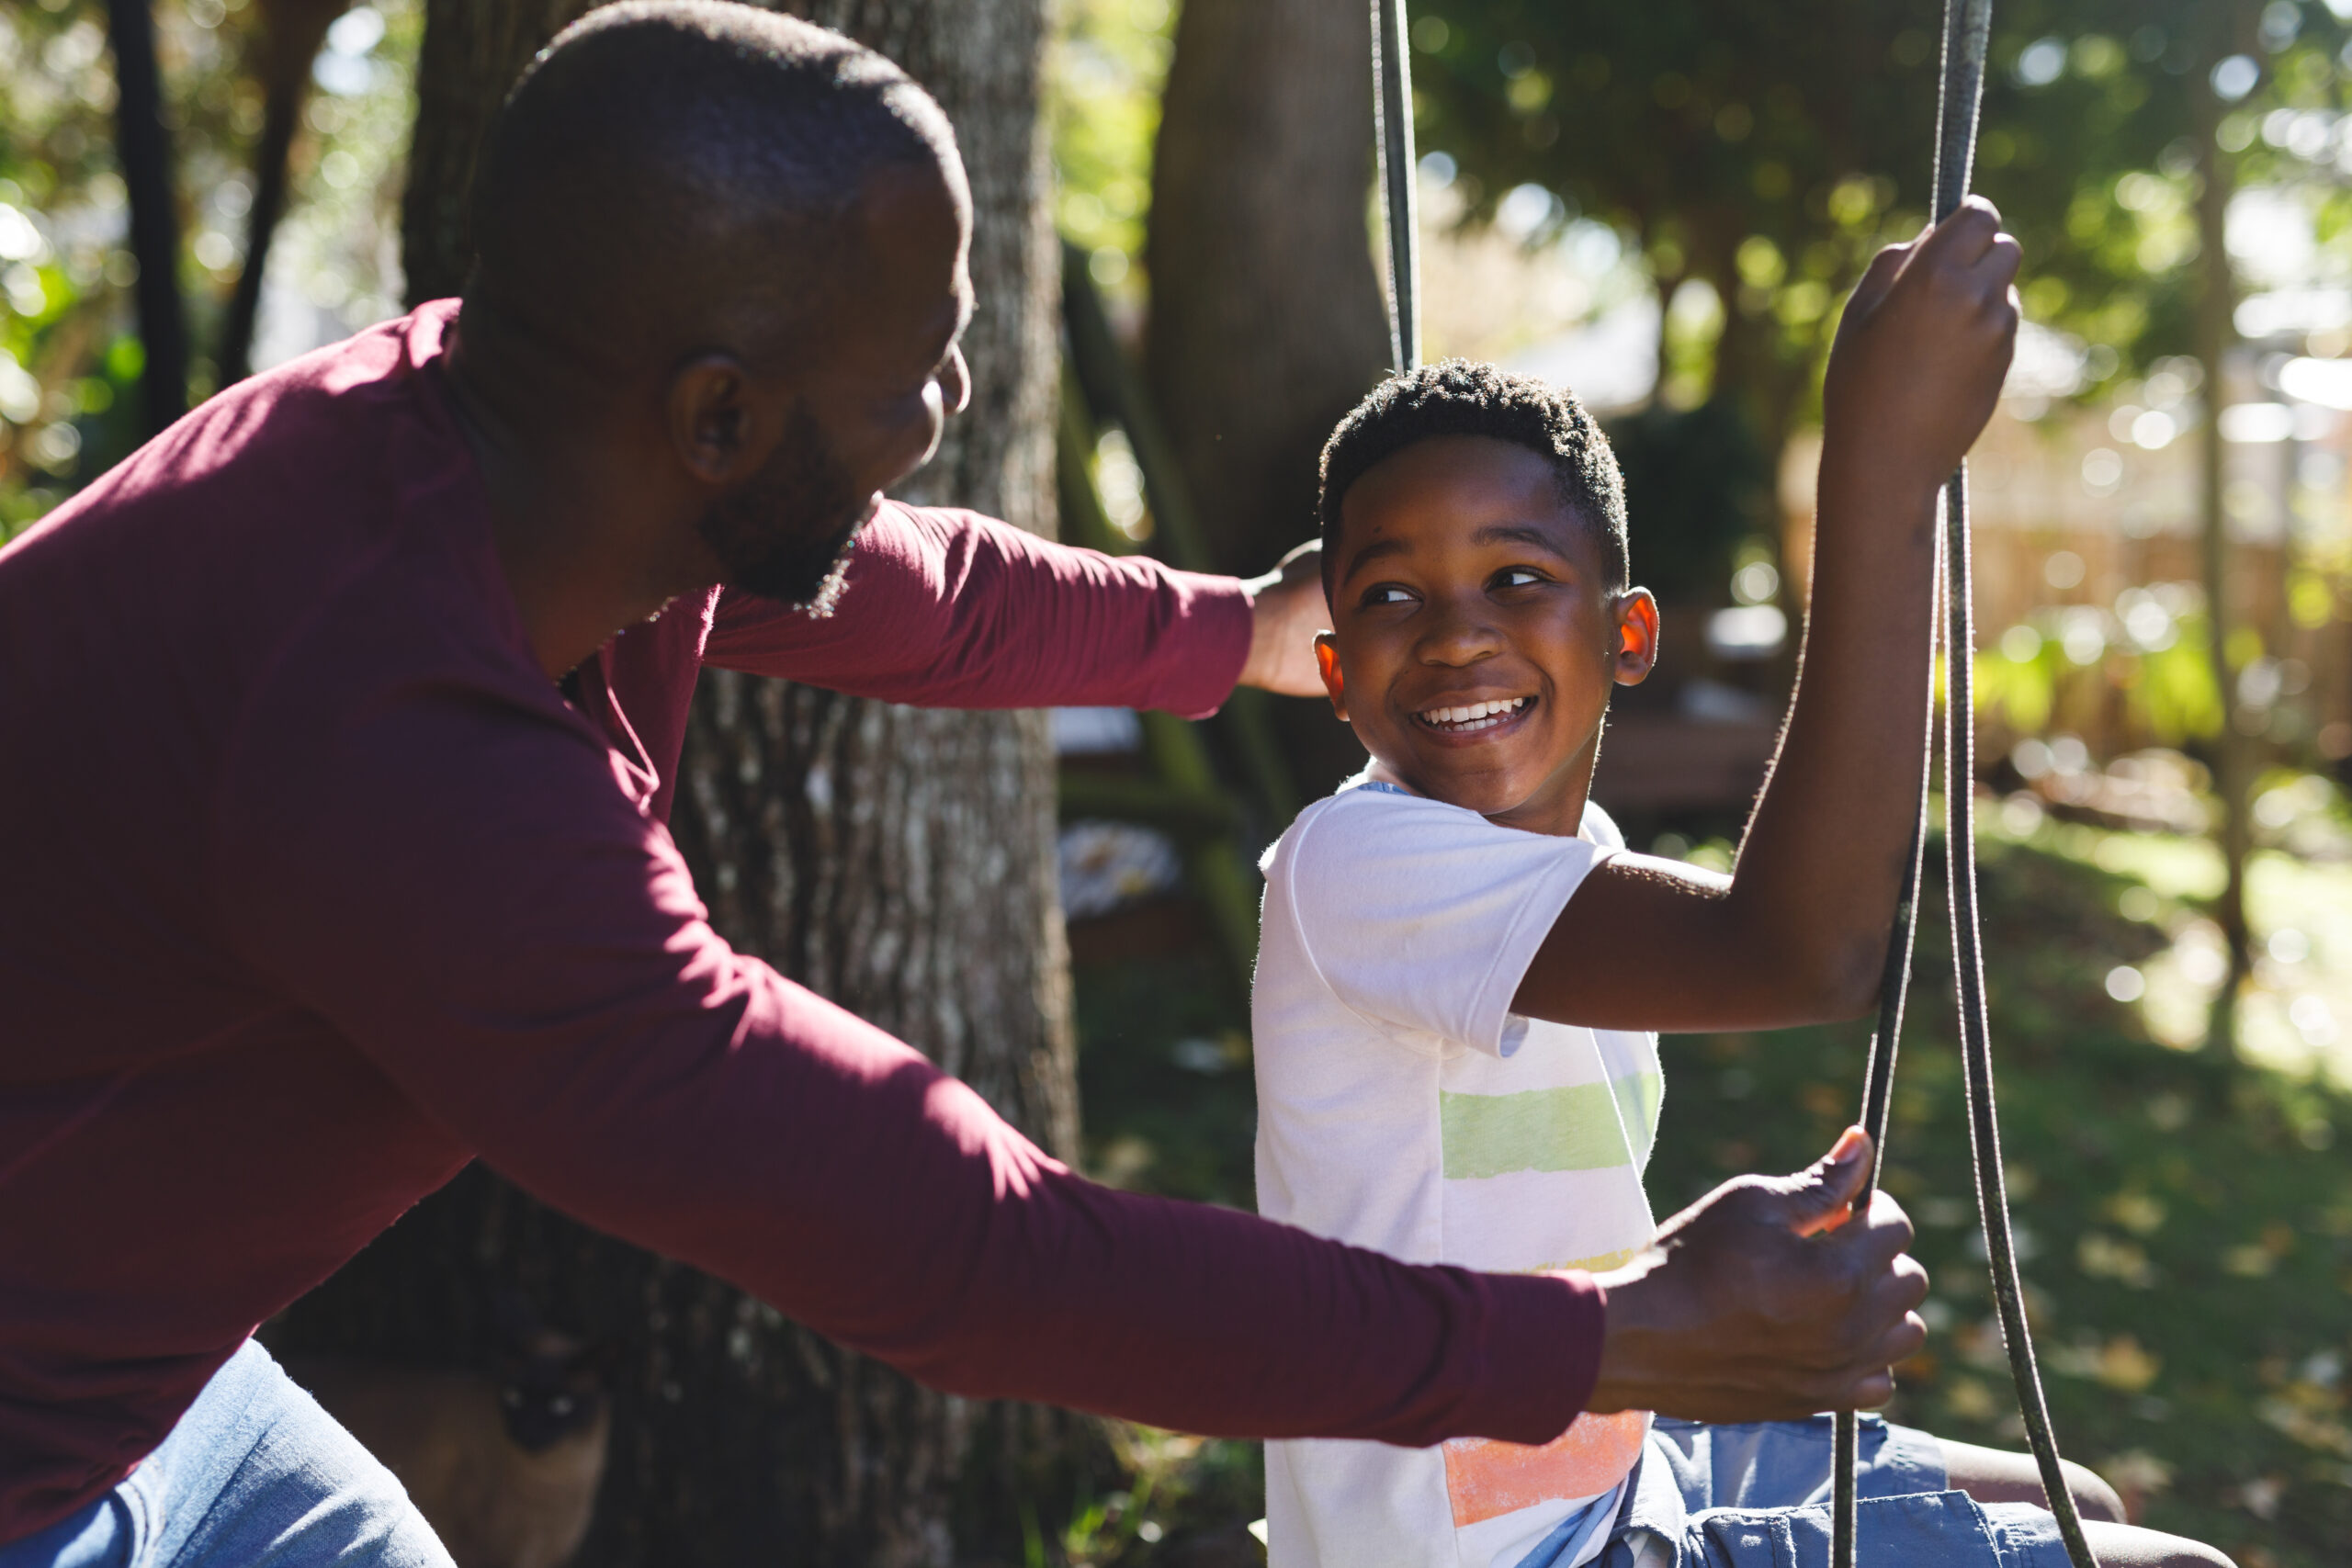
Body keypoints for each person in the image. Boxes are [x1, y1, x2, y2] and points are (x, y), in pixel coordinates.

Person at [0, 6, 1925, 1564]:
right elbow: (961, 1243)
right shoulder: (404, 762)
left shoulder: (499, 434)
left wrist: (1234, 632)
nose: (940, 417)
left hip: (149, 1380)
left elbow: (911, 587)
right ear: (721, 417)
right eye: (912, 379)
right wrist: (1606, 1336)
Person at [1250, 217, 2236, 1567]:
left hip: (1608, 1447)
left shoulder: (1572, 867)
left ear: (1629, 632)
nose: (1458, 629)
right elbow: (1797, 952)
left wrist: (1717, 1274)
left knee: (2087, 1507)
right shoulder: (1352, 866)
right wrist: (1878, 466)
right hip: (1510, 1550)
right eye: (1391, 597)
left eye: (1517, 578)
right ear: (1333, 667)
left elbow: (1487, 1228)